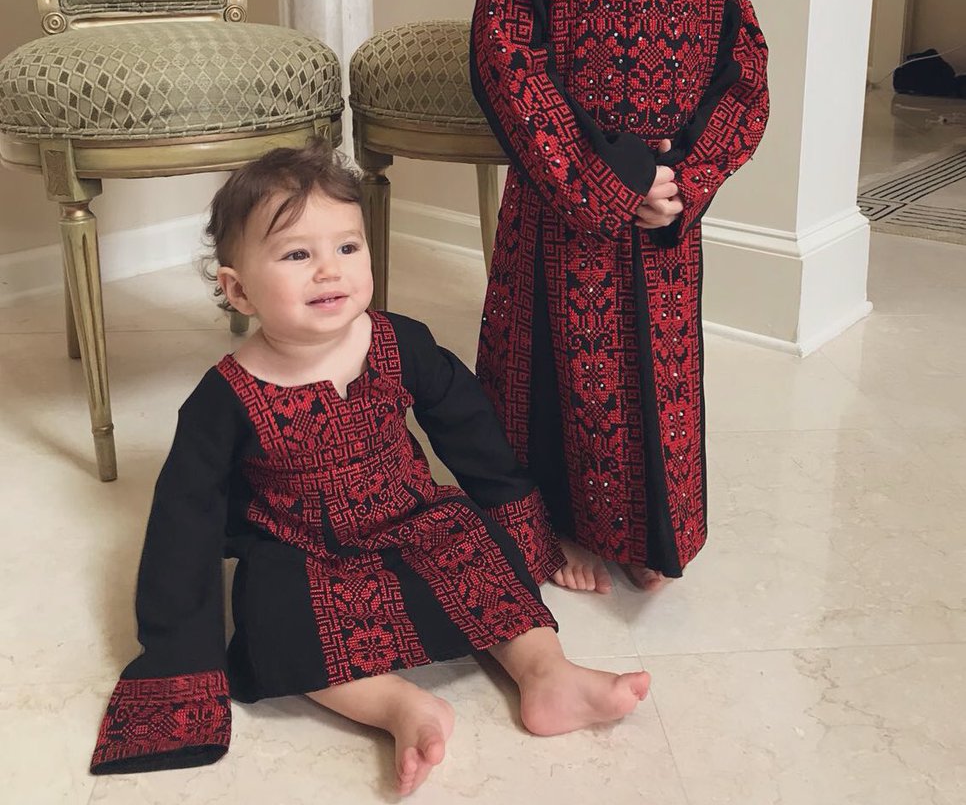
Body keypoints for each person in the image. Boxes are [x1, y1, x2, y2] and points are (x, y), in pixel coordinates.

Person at [89, 140, 650, 794]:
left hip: (412, 516)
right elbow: (182, 524)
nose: (329, 270)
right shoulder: (226, 398)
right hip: (301, 547)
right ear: (238, 290)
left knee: (477, 545)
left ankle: (545, 674)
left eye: (347, 247)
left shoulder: (397, 340)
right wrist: (177, 652)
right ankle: (400, 708)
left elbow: (470, 430)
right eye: (297, 255)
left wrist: (527, 525)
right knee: (271, 618)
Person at [471, 0, 769, 596]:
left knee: (654, 383)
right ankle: (543, 523)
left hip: (668, 219)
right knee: (558, 376)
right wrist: (607, 183)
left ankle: (644, 526)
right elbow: (508, 66)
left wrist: (687, 182)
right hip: (562, 216)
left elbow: (745, 77)